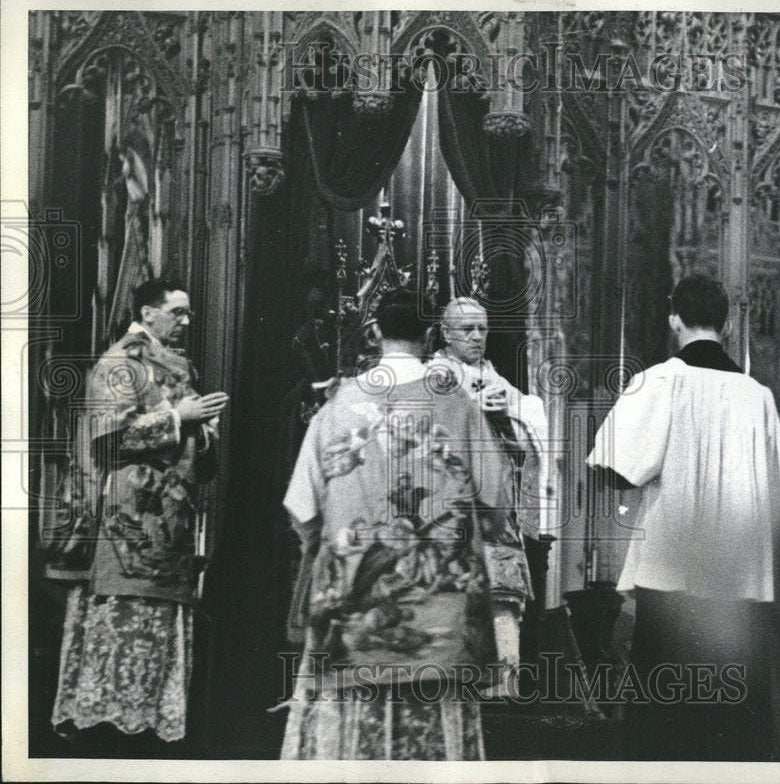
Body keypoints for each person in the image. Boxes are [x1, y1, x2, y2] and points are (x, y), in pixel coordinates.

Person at [279, 288, 520, 760]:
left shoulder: (338, 406)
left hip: (353, 611)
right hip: (442, 616)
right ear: (431, 334)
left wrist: (329, 548)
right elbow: (496, 501)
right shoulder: (459, 407)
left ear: (373, 332)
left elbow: (301, 507)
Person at [587, 274, 780, 761]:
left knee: (665, 703)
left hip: (673, 566)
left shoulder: (660, 381)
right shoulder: (757, 395)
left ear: (673, 318)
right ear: (727, 323)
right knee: (729, 704)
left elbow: (617, 470)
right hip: (737, 573)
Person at [47, 277, 228, 748]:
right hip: (127, 508)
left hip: (171, 512)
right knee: (124, 611)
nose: (187, 321)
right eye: (178, 312)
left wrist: (205, 432)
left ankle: (147, 720)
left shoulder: (175, 363)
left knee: (161, 616)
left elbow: (192, 438)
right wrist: (178, 418)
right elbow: (108, 438)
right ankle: (108, 725)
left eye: (187, 313)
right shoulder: (121, 361)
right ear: (148, 313)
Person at [429, 297, 546, 695]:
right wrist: (473, 413)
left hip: (496, 519)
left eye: (482, 328)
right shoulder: (434, 376)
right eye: (467, 329)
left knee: (502, 607)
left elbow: (528, 437)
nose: (478, 337)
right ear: (446, 332)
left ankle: (502, 695)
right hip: (453, 519)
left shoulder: (495, 378)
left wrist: (506, 417)